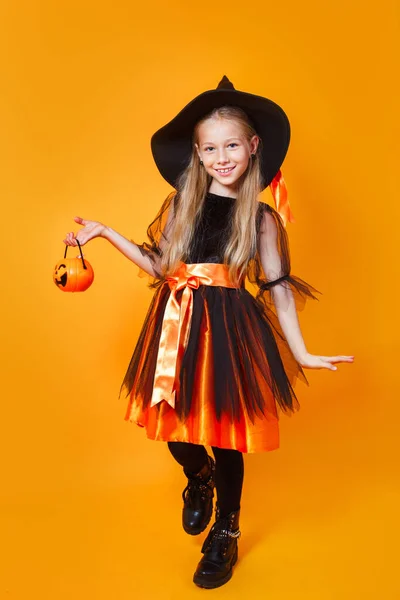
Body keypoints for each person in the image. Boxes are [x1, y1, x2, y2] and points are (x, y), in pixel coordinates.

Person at [63, 76, 354, 589]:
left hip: (226, 330)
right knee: (174, 429)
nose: (222, 157)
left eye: (232, 145)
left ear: (253, 147)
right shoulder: (181, 204)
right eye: (211, 148)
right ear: (197, 154)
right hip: (175, 323)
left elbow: (279, 288)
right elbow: (159, 266)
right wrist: (106, 234)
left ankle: (227, 530)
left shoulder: (260, 218)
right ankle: (197, 479)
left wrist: (303, 353)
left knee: (226, 437)